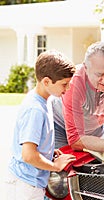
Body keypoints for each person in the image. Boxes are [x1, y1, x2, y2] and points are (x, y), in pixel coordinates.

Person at [6, 50, 77, 200]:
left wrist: (48, 150)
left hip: (32, 182)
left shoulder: (45, 100)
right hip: (25, 187)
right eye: (64, 84)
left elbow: (34, 141)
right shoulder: (35, 110)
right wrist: (56, 166)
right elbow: (28, 155)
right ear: (46, 82)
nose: (67, 88)